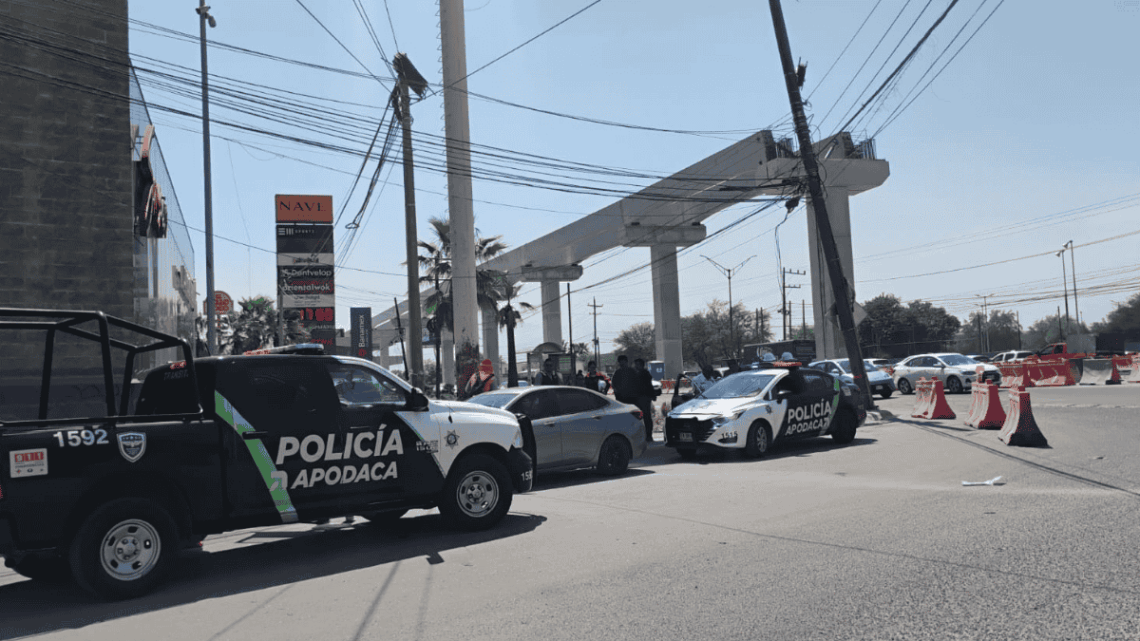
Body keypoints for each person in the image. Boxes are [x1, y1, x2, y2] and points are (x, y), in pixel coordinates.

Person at [632, 358, 659, 442]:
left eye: (637, 364)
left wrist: (652, 395)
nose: (636, 366)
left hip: (644, 398)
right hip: (638, 399)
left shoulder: (645, 374)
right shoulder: (636, 374)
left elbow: (649, 386)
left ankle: (648, 435)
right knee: (640, 418)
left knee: (646, 417)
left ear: (641, 365)